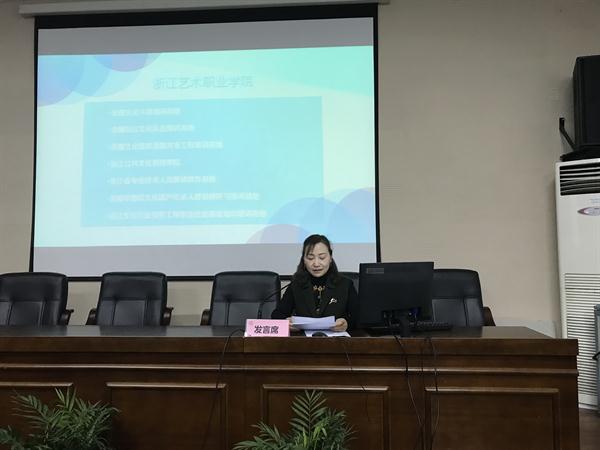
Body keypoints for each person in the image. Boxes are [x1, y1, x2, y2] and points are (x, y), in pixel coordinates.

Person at [271, 234, 358, 331]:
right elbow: (277, 314)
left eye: (322, 257)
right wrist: (286, 322)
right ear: (304, 260)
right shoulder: (297, 284)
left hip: (336, 339)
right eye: (310, 258)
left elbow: (359, 317)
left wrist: (347, 323)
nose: (316, 264)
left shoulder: (345, 284)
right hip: (303, 339)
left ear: (330, 258)